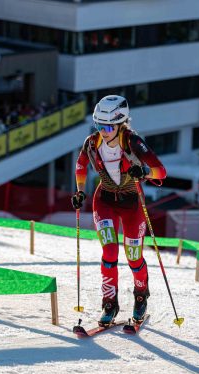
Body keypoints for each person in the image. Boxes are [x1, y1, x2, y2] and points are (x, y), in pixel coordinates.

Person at [72, 95, 166, 326]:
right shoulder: (92, 143)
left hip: (132, 203)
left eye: (107, 126)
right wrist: (80, 191)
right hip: (104, 201)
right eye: (98, 125)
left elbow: (160, 171)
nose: (102, 131)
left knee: (134, 257)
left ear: (120, 123)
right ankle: (109, 304)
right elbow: (81, 165)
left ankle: (141, 295)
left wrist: (143, 172)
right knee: (110, 253)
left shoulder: (132, 142)